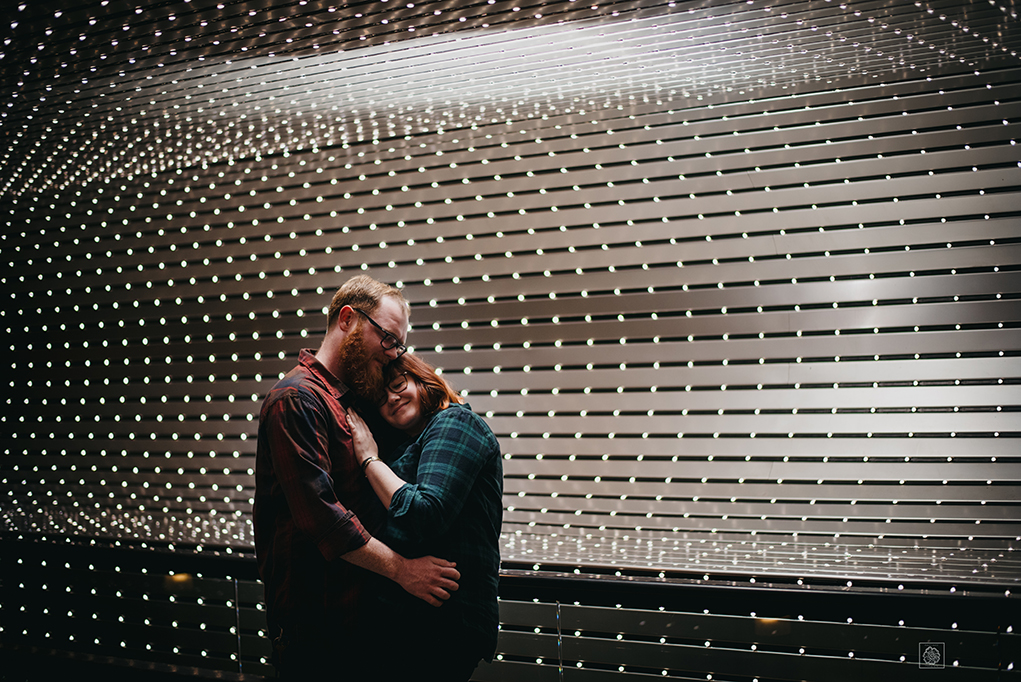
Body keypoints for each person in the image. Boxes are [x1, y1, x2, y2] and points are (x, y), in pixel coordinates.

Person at [253, 275, 460, 680]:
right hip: (317, 628)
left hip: (358, 624)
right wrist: (405, 571)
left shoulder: (354, 401)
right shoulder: (296, 399)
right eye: (387, 338)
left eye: (399, 343)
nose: (393, 353)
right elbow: (324, 519)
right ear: (347, 318)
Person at [347, 352, 503, 680]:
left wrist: (368, 459)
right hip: (416, 621)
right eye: (380, 397)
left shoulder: (455, 422)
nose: (392, 398)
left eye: (398, 384)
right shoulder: (410, 444)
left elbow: (425, 513)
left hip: (443, 622)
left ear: (422, 378)